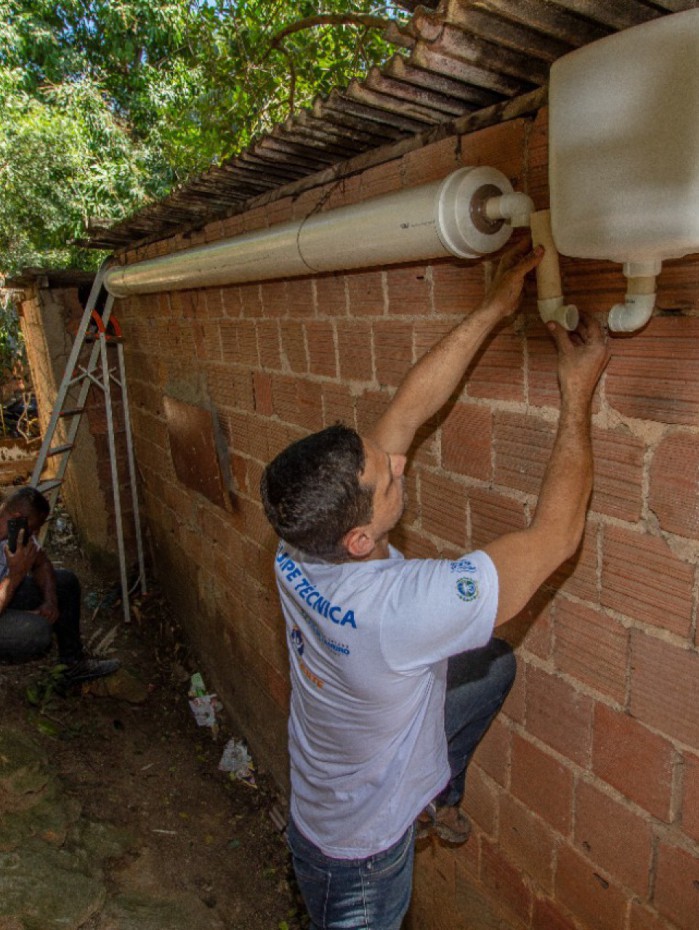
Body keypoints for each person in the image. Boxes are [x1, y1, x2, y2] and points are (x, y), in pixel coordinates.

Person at [259, 238, 609, 930]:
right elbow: (555, 538)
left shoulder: (297, 538)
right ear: (360, 541)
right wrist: (576, 395)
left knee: (490, 664)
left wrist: (493, 307)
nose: (397, 463)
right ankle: (415, 804)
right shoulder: (401, 609)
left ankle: (432, 789)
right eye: (386, 475)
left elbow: (407, 410)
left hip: (341, 766)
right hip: (353, 855)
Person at [0, 486, 120, 682]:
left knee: (65, 582)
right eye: (34, 527)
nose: (35, 533)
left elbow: (42, 564)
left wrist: (50, 601)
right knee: (36, 632)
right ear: (18, 517)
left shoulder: (17, 533)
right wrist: (15, 575)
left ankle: (72, 665)